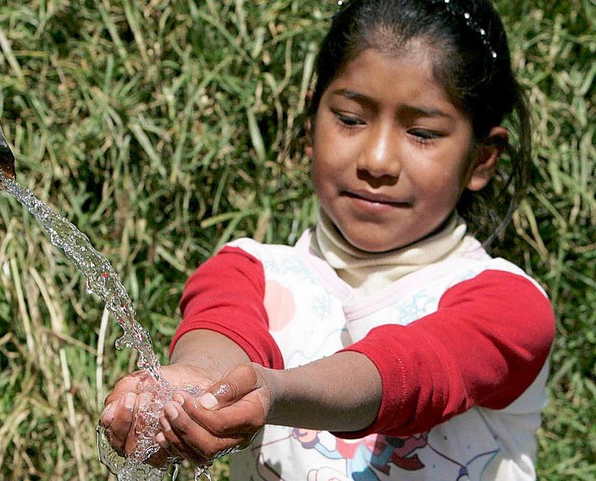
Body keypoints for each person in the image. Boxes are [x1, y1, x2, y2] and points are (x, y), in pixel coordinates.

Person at [101, 0, 555, 479]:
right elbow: (221, 336)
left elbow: (409, 374)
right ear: (311, 121)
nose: (377, 160)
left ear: (483, 159)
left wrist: (273, 392)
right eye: (350, 119)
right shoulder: (248, 272)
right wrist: (193, 390)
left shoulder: (511, 305)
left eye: (422, 133)